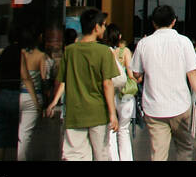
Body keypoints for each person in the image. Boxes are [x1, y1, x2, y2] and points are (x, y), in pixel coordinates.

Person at [131, 5, 196, 161]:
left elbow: (136, 73)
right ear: (174, 21)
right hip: (181, 105)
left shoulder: (144, 44)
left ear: (153, 23)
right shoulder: (184, 41)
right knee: (185, 149)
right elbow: (192, 73)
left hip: (154, 108)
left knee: (158, 153)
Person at [45, 9, 119, 161]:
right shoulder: (104, 52)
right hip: (98, 112)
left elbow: (63, 81)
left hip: (75, 112)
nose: (104, 29)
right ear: (96, 27)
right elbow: (107, 84)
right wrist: (112, 113)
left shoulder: (70, 51)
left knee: (75, 155)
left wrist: (53, 102)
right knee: (102, 154)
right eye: (103, 25)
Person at [0, 25, 26, 161]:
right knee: (19, 139)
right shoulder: (24, 54)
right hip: (19, 95)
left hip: (2, 95)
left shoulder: (3, 52)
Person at [100, 24, 135, 162]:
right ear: (119, 37)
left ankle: (113, 158)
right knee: (124, 130)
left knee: (111, 131)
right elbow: (131, 74)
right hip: (125, 95)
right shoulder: (125, 51)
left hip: (111, 94)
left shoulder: (104, 51)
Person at [18, 27, 46, 161]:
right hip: (33, 95)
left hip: (18, 94)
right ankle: (21, 157)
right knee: (25, 133)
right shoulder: (40, 56)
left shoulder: (21, 54)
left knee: (18, 130)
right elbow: (44, 77)